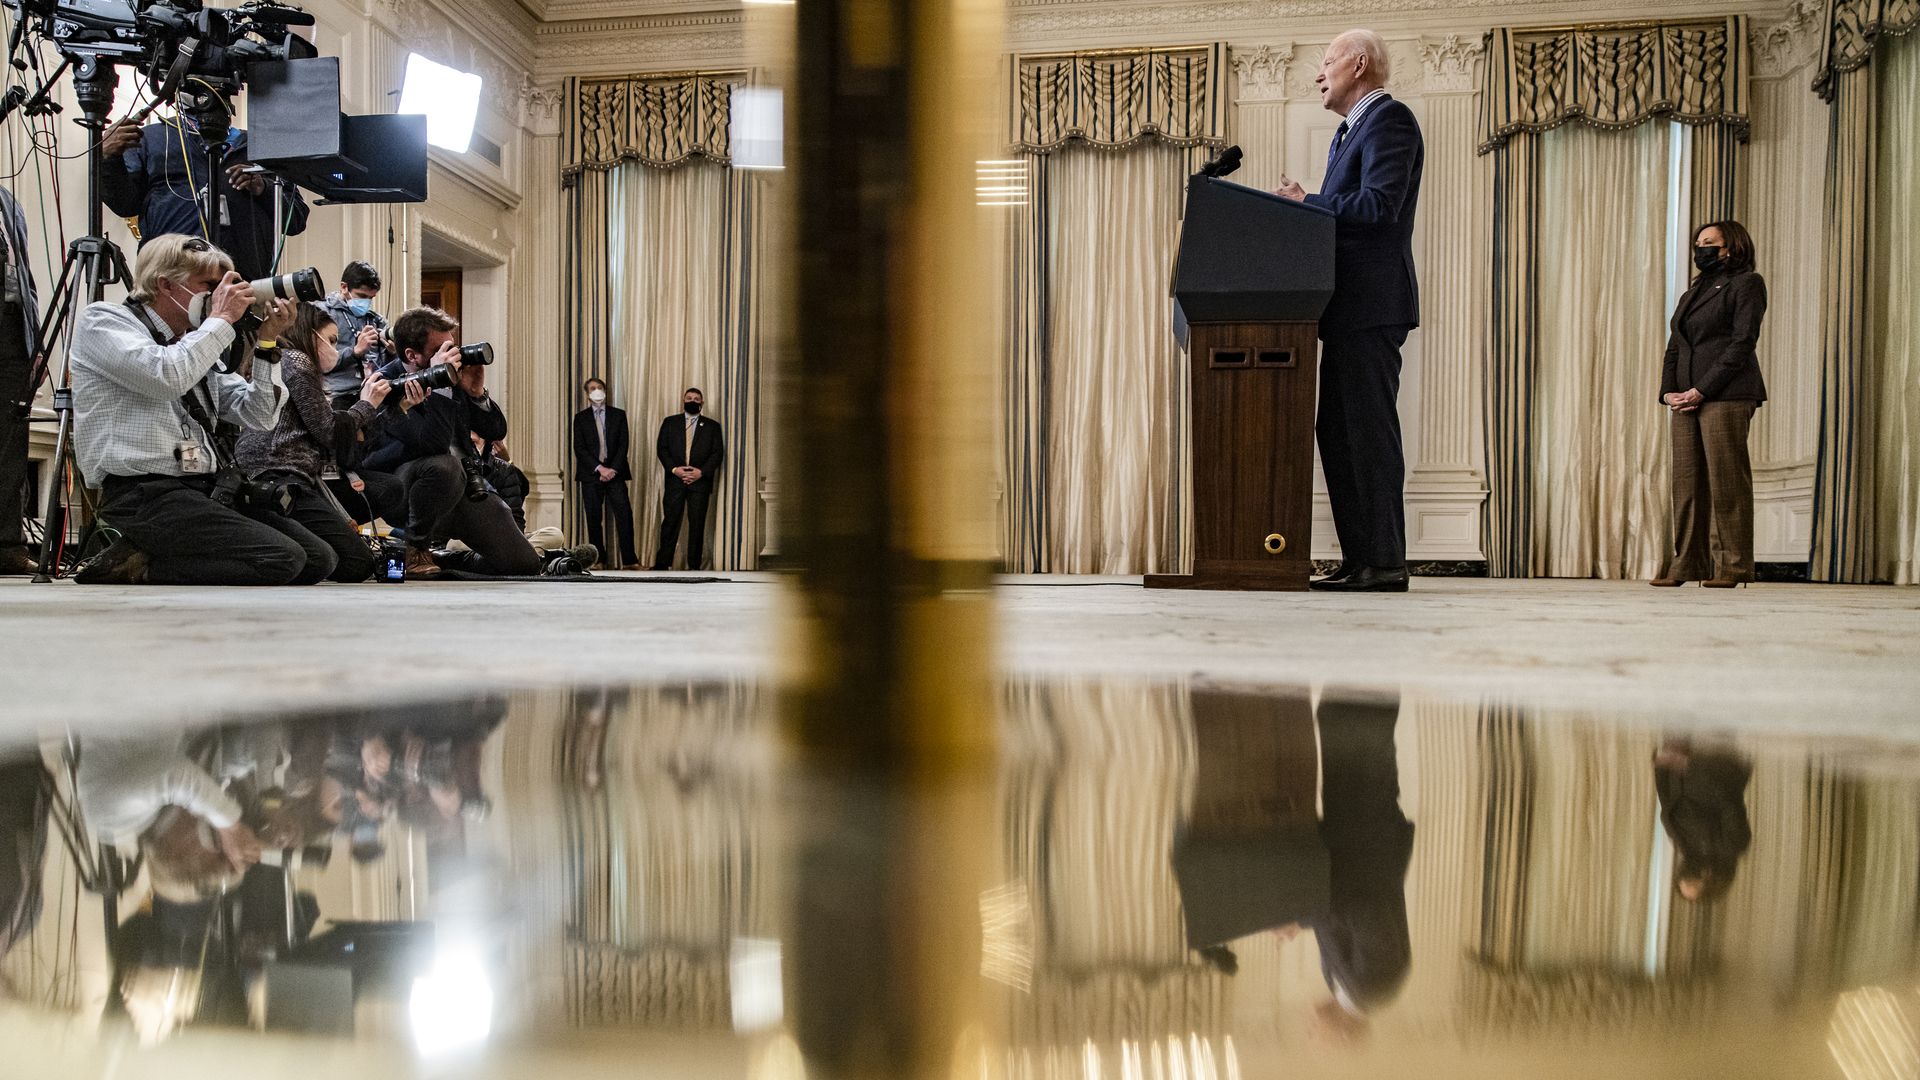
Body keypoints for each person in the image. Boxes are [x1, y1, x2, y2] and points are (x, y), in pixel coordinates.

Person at [67, 235, 335, 586]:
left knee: (319, 559)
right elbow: (166, 376)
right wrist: (221, 319)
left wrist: (268, 342)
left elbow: (259, 414)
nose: (221, 294)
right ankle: (136, 564)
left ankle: (151, 554)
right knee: (282, 558)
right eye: (209, 285)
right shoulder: (105, 321)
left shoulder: (192, 342)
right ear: (165, 284)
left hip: (200, 489)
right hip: (142, 494)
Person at [1274, 30, 1424, 594]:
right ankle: (1361, 559)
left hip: (1371, 305)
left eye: (1328, 62)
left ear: (1360, 65)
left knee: (1367, 433)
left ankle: (1384, 562)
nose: (1319, 74)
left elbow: (1381, 206)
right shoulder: (1349, 133)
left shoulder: (1390, 119)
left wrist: (1307, 202)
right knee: (1338, 433)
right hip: (1344, 310)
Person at [235, 301, 422, 583]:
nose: (337, 349)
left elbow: (346, 442)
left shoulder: (290, 363)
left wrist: (395, 408)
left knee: (362, 539)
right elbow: (331, 432)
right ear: (312, 335)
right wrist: (366, 404)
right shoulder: (295, 361)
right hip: (280, 478)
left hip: (298, 478)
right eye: (332, 340)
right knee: (355, 563)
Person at [359, 306, 541, 578]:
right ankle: (415, 549)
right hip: (407, 491)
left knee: (523, 564)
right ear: (412, 355)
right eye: (440, 349)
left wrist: (477, 393)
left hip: (463, 485)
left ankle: (446, 558)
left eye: (452, 346)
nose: (451, 355)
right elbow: (433, 443)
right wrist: (441, 384)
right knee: (442, 466)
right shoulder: (386, 385)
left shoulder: (452, 380)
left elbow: (496, 430)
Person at [1652, 221, 1768, 589]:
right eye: (1697, 243)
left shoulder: (1748, 283)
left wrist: (1702, 389)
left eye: (1709, 243)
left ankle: (1733, 567)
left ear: (1730, 247)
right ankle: (1688, 564)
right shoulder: (1693, 290)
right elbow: (1676, 345)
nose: (1700, 249)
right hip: (1685, 398)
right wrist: (1668, 391)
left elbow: (1742, 342)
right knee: (1686, 483)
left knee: (1726, 480)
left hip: (1727, 393)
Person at [99, 89, 310, 282]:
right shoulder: (152, 139)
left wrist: (263, 189)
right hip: (170, 278)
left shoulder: (260, 147)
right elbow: (125, 205)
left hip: (241, 281)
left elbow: (296, 219)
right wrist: (108, 159)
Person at [1653, 739, 1752, 902]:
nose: (1685, 876)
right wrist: (1690, 766)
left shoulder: (1682, 844)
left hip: (1677, 753)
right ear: (1712, 880)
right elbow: (1728, 800)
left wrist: (1661, 766)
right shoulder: (1734, 844)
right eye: (1691, 880)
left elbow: (1666, 801)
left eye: (1682, 880)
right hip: (1716, 758)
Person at [0, 185, 39, 575]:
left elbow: (25, 276)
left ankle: (7, 546)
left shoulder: (8, 200)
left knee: (10, 443)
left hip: (12, 330)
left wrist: (36, 341)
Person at [652, 387, 725, 571]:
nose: (693, 400)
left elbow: (717, 453)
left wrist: (701, 472)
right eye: (689, 398)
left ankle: (694, 565)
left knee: (697, 523)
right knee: (670, 522)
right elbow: (662, 449)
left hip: (700, 482)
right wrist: (675, 470)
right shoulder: (670, 422)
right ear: (683, 401)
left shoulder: (712, 426)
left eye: (696, 398)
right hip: (675, 481)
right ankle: (663, 563)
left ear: (702, 403)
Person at [573, 377, 638, 569]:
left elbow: (623, 444)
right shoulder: (581, 418)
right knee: (593, 519)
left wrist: (612, 469)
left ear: (605, 391)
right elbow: (580, 448)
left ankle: (630, 561)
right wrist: (600, 468)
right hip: (591, 475)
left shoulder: (618, 415)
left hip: (616, 474)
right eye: (592, 388)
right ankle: (599, 560)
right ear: (587, 394)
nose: (596, 391)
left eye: (599, 387)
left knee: (624, 516)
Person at [320, 261, 391, 407]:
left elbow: (386, 367)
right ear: (344, 287)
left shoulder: (376, 320)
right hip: (337, 395)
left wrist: (393, 353)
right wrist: (355, 351)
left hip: (372, 394)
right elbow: (320, 362)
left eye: (370, 298)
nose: (366, 302)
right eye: (361, 296)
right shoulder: (323, 314)